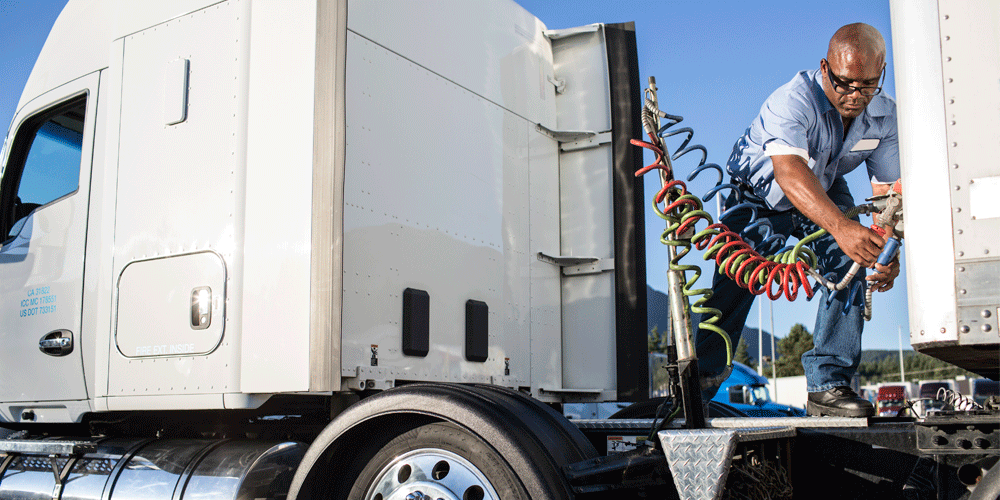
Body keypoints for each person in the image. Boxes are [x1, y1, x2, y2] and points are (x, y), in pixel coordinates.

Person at [695, 23, 900, 417]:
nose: (855, 97)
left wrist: (887, 252)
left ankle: (829, 384)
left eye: (867, 86)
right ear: (825, 67)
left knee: (852, 261)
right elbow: (789, 173)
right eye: (844, 84)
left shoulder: (885, 116)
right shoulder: (792, 100)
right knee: (737, 282)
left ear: (882, 73)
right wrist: (841, 227)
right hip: (760, 191)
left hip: (824, 182)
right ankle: (697, 386)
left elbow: (889, 195)